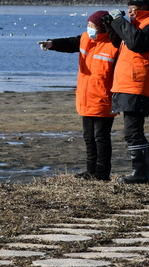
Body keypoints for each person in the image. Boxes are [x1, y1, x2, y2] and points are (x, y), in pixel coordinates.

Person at [38, 11, 119, 181]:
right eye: (88, 25)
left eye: (93, 26)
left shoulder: (114, 45)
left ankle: (102, 174)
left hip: (104, 99)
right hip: (85, 97)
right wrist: (52, 44)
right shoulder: (85, 38)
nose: (89, 28)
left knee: (101, 138)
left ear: (103, 28)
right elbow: (70, 43)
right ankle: (91, 171)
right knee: (88, 137)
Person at [102, 0, 149, 184]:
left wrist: (119, 20)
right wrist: (110, 24)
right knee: (132, 131)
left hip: (138, 85)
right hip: (128, 84)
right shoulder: (137, 24)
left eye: (133, 8)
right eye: (128, 7)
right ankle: (141, 173)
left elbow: (136, 43)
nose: (130, 10)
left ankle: (141, 174)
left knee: (133, 132)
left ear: (143, 8)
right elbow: (121, 42)